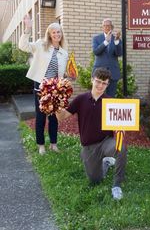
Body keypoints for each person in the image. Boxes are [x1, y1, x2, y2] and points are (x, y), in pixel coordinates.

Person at [55, 68, 127, 200]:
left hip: (106, 142)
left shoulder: (111, 102)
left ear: (108, 85)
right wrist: (57, 107)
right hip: (89, 146)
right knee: (95, 180)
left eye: (104, 83)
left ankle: (117, 185)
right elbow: (61, 117)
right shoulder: (81, 99)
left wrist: (122, 127)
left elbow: (120, 123)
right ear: (92, 80)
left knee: (121, 147)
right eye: (98, 82)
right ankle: (105, 163)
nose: (100, 86)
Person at [18, 15, 68, 155]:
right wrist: (28, 28)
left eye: (58, 32)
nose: (56, 34)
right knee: (41, 116)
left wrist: (68, 76)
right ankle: (41, 145)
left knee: (53, 117)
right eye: (54, 32)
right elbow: (23, 46)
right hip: (41, 85)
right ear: (49, 34)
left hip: (55, 87)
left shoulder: (64, 53)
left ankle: (53, 144)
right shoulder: (41, 45)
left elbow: (61, 73)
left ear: (61, 34)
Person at [92, 18, 122, 97]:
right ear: (102, 27)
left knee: (110, 97)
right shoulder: (96, 38)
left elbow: (119, 53)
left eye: (108, 26)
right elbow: (96, 52)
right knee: (97, 95)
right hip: (99, 72)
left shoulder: (116, 38)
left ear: (112, 27)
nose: (107, 27)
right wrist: (106, 42)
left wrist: (116, 42)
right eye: (105, 26)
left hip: (113, 72)